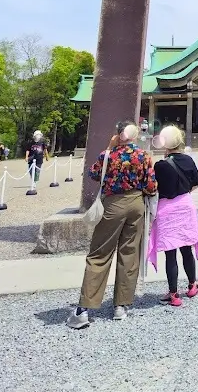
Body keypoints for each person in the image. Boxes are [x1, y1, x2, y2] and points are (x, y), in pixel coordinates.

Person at [66, 122, 157, 329]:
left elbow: (94, 174)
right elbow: (151, 185)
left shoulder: (108, 155)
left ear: (118, 134)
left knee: (100, 253)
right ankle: (121, 306)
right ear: (135, 135)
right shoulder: (143, 155)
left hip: (113, 204)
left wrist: (109, 148)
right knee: (129, 252)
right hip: (136, 204)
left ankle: (84, 308)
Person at [148, 125, 198, 307]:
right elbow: (196, 183)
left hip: (166, 210)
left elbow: (154, 188)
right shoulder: (188, 160)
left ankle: (173, 294)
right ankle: (192, 285)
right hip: (185, 207)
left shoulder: (160, 165)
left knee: (170, 254)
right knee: (187, 249)